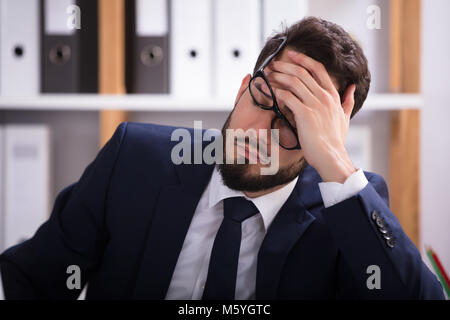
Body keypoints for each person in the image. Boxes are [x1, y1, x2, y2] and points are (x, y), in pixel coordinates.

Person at [0, 17, 444, 300]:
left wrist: (336, 163)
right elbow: (31, 278)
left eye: (294, 123)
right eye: (262, 97)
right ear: (242, 88)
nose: (258, 131)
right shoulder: (134, 160)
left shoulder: (346, 208)